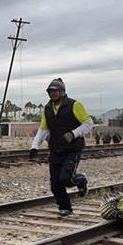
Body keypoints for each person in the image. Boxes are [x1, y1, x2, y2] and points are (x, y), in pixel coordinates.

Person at [29, 78, 93, 217]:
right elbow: (43, 129)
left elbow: (88, 123)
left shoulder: (74, 105)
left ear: (62, 91)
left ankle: (81, 179)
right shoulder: (47, 109)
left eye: (55, 91)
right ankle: (65, 208)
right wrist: (34, 146)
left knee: (66, 179)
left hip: (72, 148)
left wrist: (73, 134)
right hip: (55, 149)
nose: (53, 94)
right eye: (50, 91)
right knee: (55, 183)